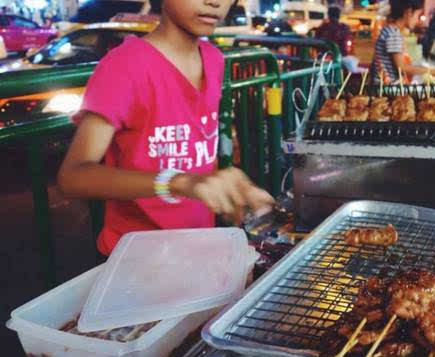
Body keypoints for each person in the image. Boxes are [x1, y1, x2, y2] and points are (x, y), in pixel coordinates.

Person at [57, 0, 274, 256]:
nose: (215, 2)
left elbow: (196, 146)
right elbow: (73, 176)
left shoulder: (214, 59)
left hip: (197, 249)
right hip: (139, 260)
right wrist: (177, 182)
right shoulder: (124, 66)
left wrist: (232, 186)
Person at [370, 0, 435, 83]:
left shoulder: (388, 30)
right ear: (408, 12)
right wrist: (432, 71)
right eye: (418, 15)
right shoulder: (394, 34)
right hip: (386, 87)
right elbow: (402, 68)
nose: (417, 21)